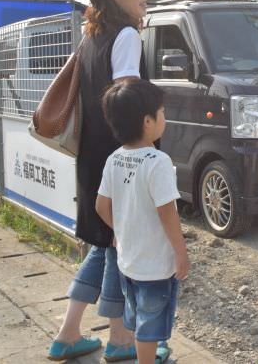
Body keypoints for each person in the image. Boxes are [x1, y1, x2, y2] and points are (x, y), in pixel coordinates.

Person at [48, 0, 149, 361]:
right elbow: (124, 98)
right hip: (119, 157)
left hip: (93, 157)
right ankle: (121, 341)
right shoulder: (126, 36)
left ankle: (68, 334)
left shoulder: (91, 36)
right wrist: (140, 156)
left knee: (103, 245)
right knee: (118, 249)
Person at [96, 79, 188, 364]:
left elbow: (100, 206)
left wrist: (119, 229)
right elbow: (167, 212)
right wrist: (180, 251)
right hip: (155, 267)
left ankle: (145, 355)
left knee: (138, 319)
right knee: (151, 325)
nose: (164, 117)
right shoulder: (157, 160)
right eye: (161, 112)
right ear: (148, 121)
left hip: (128, 262)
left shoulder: (114, 159)